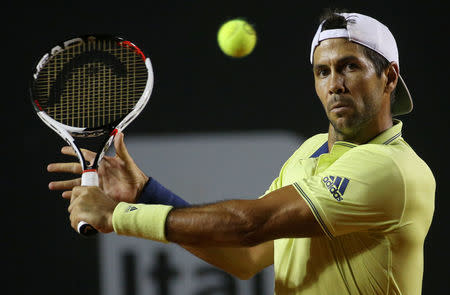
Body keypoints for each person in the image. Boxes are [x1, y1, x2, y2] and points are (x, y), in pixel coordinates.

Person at [48, 10, 435, 295]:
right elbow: (245, 257)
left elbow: (250, 225)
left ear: (389, 76)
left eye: (350, 67)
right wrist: (146, 192)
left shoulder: (393, 169)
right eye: (323, 71)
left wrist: (119, 216)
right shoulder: (308, 153)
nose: (335, 84)